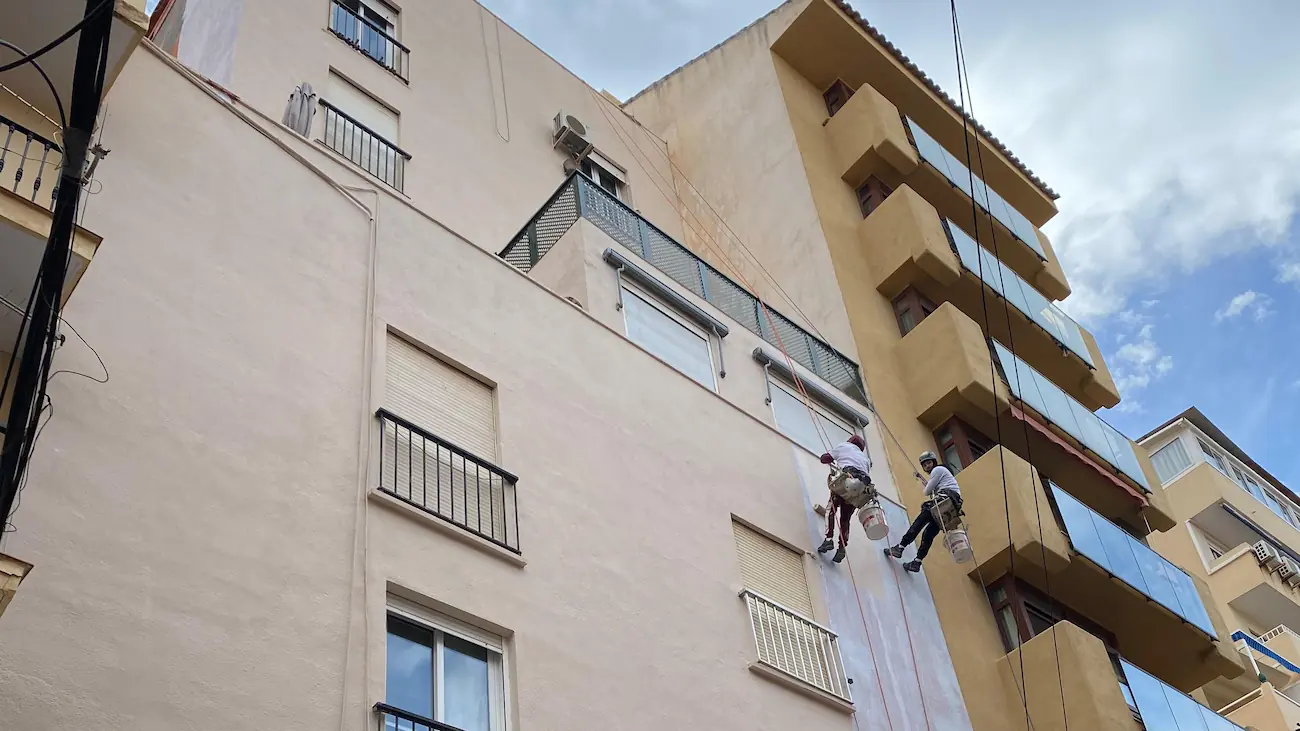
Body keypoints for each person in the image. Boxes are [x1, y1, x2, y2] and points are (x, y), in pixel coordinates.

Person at [887, 451, 962, 573]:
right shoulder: (945, 476)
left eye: (929, 463)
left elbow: (927, 492)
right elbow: (933, 488)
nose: (927, 466)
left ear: (934, 463)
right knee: (929, 534)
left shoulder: (938, 470)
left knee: (919, 522)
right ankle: (917, 562)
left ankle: (900, 547)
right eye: (925, 465)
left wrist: (928, 486)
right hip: (949, 505)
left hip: (943, 500)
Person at [816, 434, 872, 563]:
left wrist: (828, 457)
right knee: (845, 519)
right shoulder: (866, 459)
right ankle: (842, 547)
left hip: (846, 480)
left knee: (831, 510)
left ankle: (828, 539)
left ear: (850, 441)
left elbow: (825, 459)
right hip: (860, 488)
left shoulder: (844, 446)